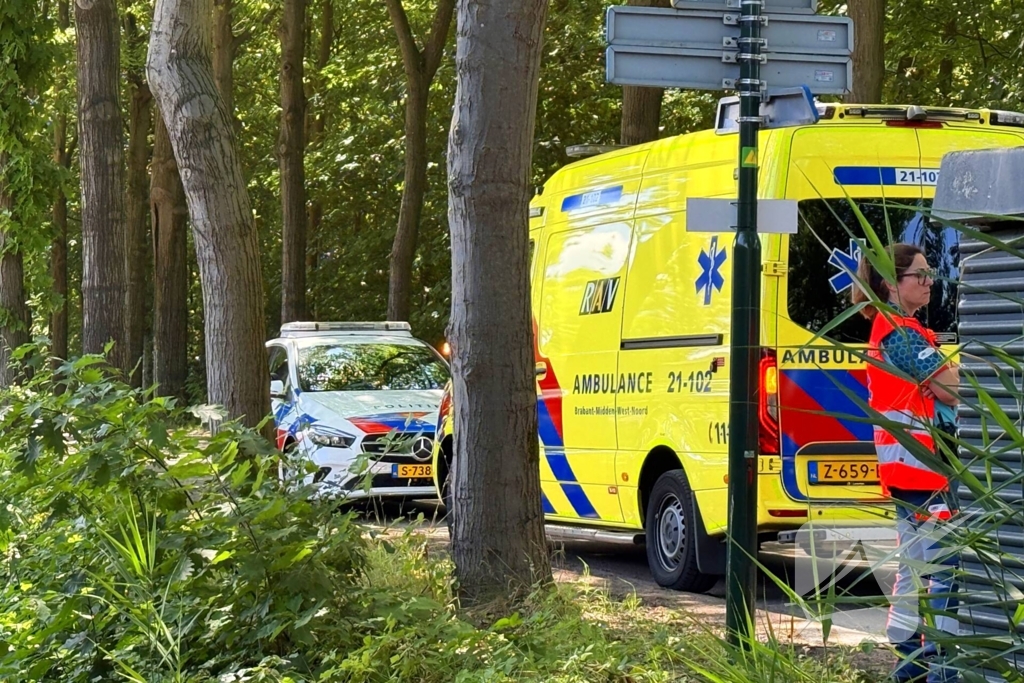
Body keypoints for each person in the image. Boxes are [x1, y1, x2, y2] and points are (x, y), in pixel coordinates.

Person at [852, 243, 961, 683]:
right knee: (943, 573)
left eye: (930, 273)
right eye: (919, 275)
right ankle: (941, 668)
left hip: (907, 472)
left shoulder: (895, 331)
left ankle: (910, 667)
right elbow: (952, 390)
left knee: (914, 569)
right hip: (925, 472)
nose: (929, 281)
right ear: (890, 284)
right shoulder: (901, 335)